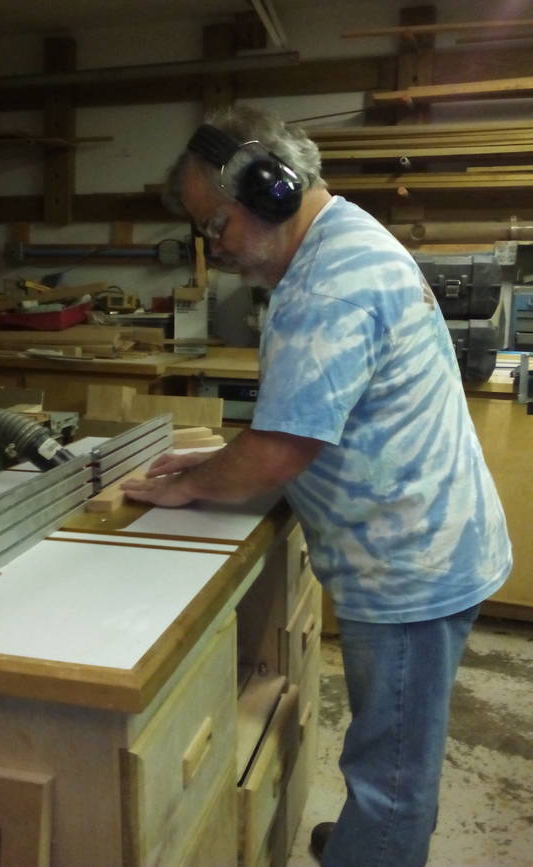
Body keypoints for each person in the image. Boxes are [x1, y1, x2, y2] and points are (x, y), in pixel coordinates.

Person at [121, 105, 512, 866]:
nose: (217, 248)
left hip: (408, 571)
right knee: (395, 747)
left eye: (217, 225)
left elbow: (277, 451)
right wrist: (213, 461)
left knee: (393, 779)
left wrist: (192, 483)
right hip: (426, 544)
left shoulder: (325, 286)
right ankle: (380, 836)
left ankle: (384, 837)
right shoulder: (345, 239)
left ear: (270, 189)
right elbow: (306, 415)